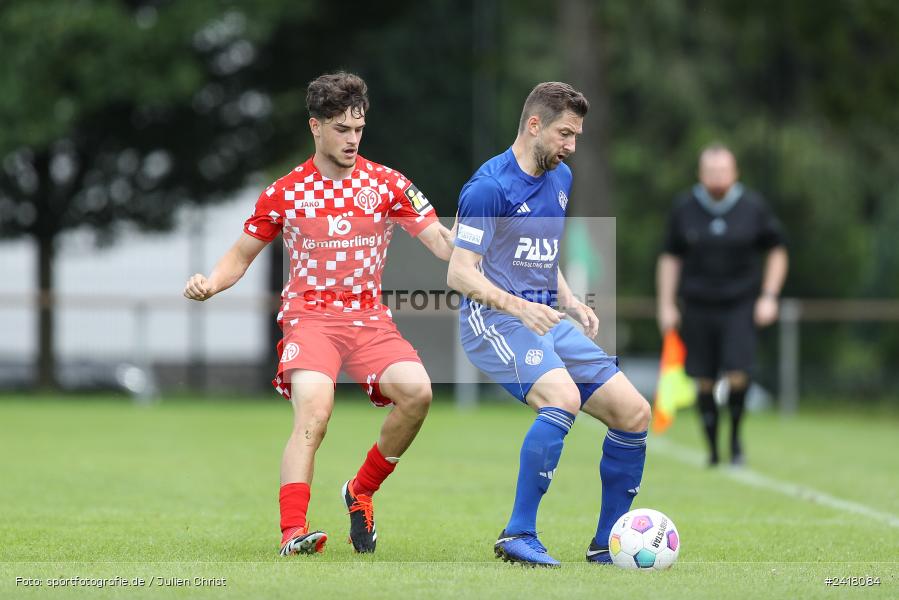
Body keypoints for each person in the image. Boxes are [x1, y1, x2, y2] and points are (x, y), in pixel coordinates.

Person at [183, 72, 454, 557]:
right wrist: (210, 282)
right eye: (341, 129)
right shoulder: (286, 191)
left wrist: (478, 250)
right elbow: (240, 256)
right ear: (316, 127)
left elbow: (438, 240)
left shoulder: (388, 183)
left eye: (358, 129)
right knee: (315, 412)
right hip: (310, 319)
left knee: (418, 394)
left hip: (369, 319)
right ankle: (293, 533)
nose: (352, 139)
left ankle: (360, 491)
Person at [447, 82, 651, 568]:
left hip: (546, 317)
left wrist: (571, 301)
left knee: (634, 412)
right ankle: (517, 533)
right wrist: (521, 308)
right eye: (565, 134)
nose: (571, 146)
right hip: (494, 320)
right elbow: (458, 272)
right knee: (563, 398)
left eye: (577, 136)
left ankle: (608, 546)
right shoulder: (488, 188)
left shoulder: (560, 178)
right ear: (534, 125)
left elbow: (540, 253)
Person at [656, 143, 788, 466]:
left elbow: (777, 250)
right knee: (704, 380)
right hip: (698, 305)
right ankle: (713, 449)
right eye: (711, 172)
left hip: (740, 304)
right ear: (701, 174)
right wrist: (666, 304)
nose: (717, 178)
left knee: (739, 373)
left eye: (723, 171)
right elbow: (670, 258)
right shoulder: (685, 208)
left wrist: (769, 296)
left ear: (735, 173)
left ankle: (735, 439)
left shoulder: (753, 207)